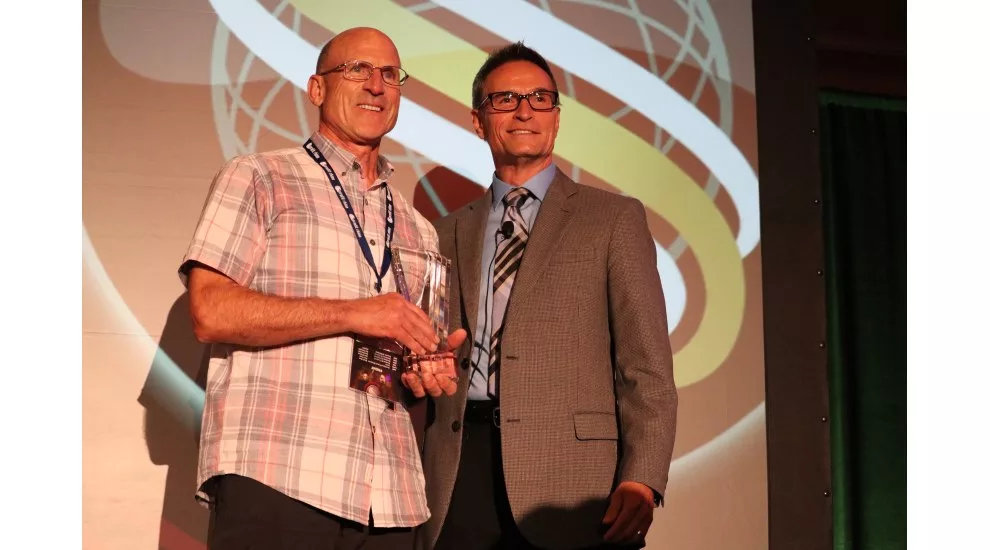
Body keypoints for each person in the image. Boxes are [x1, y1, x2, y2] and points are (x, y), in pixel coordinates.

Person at [178, 27, 464, 550]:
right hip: (281, 471)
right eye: (356, 69)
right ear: (316, 89)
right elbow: (210, 311)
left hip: (391, 493)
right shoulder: (259, 177)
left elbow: (406, 356)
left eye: (389, 74)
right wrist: (357, 313)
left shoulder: (418, 227)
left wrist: (427, 366)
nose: (376, 85)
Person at [418, 43, 679, 550]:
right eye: (506, 100)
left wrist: (643, 476)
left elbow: (646, 365)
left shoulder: (613, 219)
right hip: (457, 473)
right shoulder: (444, 232)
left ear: (556, 119)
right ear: (478, 120)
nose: (524, 111)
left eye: (540, 99)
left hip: (574, 476)